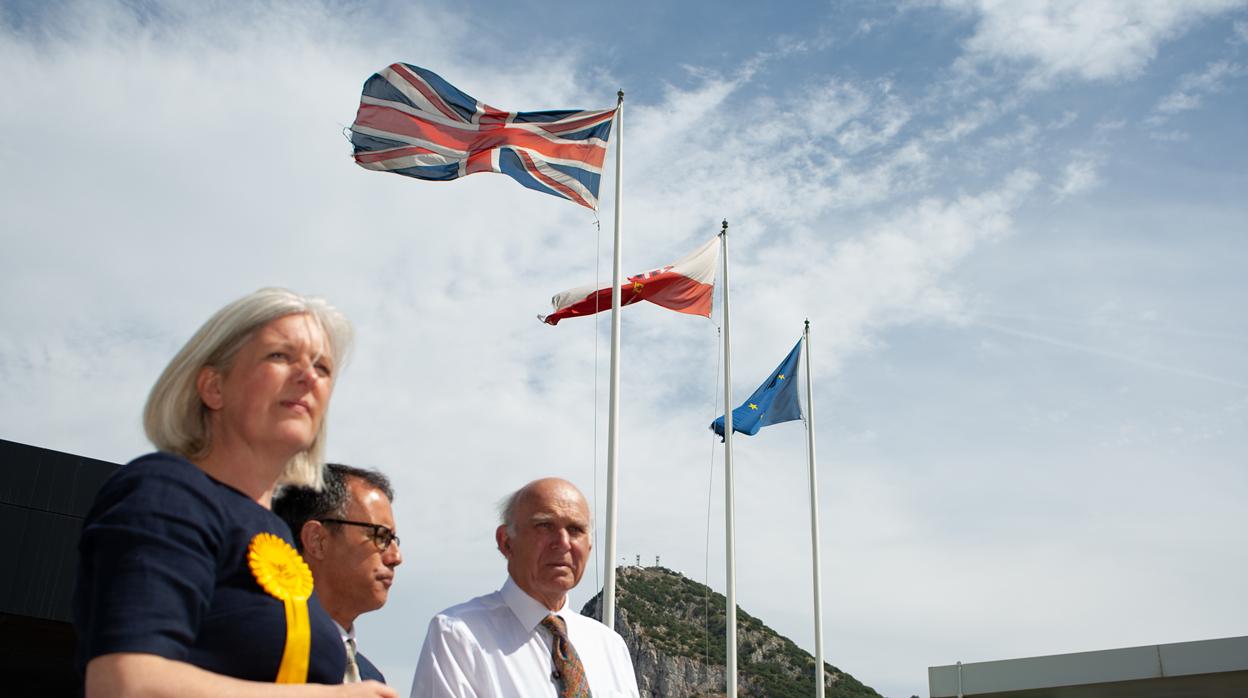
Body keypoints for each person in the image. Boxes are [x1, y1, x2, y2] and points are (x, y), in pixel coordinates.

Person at [72, 287, 396, 698]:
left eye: (323, 367)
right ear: (213, 386)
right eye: (280, 355)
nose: (308, 375)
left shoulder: (276, 533)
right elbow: (125, 683)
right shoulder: (167, 491)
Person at [411, 478, 640, 697]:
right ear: (506, 542)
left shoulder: (610, 647)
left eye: (575, 529)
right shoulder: (458, 635)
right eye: (544, 526)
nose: (562, 543)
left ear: (589, 547)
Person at [274, 463, 403, 683]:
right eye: (380, 537)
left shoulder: (370, 679)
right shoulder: (261, 652)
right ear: (317, 540)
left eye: (394, 540)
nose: (396, 557)